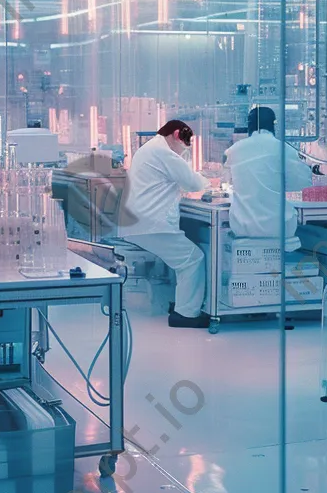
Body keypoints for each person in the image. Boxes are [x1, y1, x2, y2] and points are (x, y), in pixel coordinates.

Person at [118, 120, 211, 329]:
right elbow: (193, 183)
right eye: (184, 145)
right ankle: (186, 314)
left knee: (182, 258)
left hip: (139, 221)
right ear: (177, 135)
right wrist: (210, 182)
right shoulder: (163, 152)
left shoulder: (150, 148)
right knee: (192, 259)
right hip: (150, 223)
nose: (183, 151)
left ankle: (181, 304)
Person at [225, 106, 317, 251]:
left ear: (249, 126)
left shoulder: (234, 150)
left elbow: (230, 181)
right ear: (274, 126)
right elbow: (303, 184)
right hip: (278, 228)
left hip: (243, 228)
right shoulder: (284, 149)